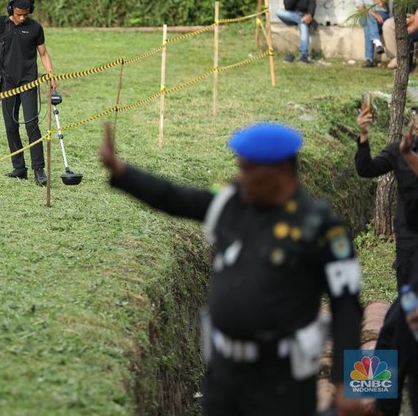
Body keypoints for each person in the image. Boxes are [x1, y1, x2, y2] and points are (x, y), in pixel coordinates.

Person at [100, 121, 362, 415]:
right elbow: (176, 198)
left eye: (249, 169)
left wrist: (348, 385)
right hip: (224, 378)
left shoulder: (320, 228)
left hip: (280, 382)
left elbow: (347, 308)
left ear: (279, 171)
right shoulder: (233, 204)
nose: (241, 176)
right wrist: (122, 171)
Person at [356, 110, 418, 415]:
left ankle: (375, 403)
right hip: (406, 254)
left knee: (392, 335)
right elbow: (365, 168)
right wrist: (364, 136)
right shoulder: (397, 151)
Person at [0, 0, 55, 186]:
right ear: (11, 10)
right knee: (10, 125)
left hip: (28, 81)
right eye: (18, 14)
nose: (22, 17)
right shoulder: (0, 25)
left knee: (32, 124)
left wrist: (50, 74)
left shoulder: (35, 28)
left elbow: (43, 54)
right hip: (7, 82)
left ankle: (39, 170)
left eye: (26, 14)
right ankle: (19, 168)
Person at [276, 0, 317, 64]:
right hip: (290, 15)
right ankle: (303, 19)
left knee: (303, 25)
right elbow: (287, 6)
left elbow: (312, 3)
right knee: (279, 12)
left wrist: (310, 15)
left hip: (304, 15)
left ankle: (303, 55)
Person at [381, 0, 418, 69]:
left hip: (416, 18)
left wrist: (413, 20)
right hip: (406, 16)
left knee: (407, 35)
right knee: (388, 25)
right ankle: (395, 58)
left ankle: (407, 66)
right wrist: (401, 18)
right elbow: (399, 4)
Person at [356, 0, 390, 68]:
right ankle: (377, 42)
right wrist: (372, 13)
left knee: (368, 26)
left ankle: (368, 59)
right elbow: (360, 7)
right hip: (369, 14)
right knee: (369, 18)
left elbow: (380, 4)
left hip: (382, 14)